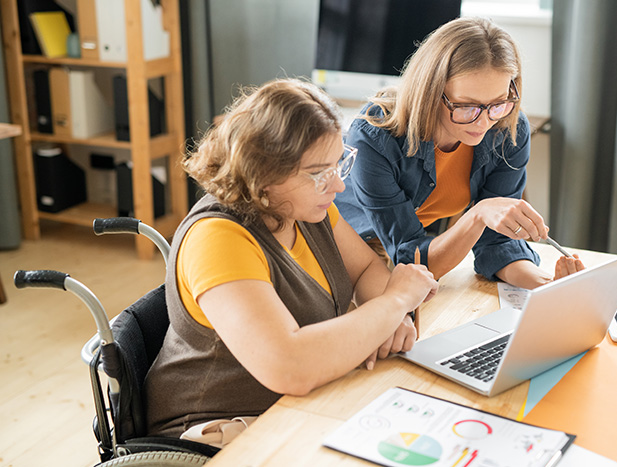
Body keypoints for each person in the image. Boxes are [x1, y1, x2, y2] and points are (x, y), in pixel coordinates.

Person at [144, 79, 438, 447]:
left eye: (338, 165)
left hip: (299, 405)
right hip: (217, 429)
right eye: (318, 174)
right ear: (263, 171)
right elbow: (290, 367)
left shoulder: (304, 210)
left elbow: (364, 270)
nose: (337, 188)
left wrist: (389, 317)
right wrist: (395, 303)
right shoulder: (217, 238)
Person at [335, 17, 584, 289]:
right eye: (467, 106)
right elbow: (412, 258)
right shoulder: (376, 134)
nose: (484, 123)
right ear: (431, 91)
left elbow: (497, 242)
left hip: (407, 257)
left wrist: (548, 285)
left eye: (498, 103)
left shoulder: (507, 129)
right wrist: (478, 214)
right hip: (346, 248)